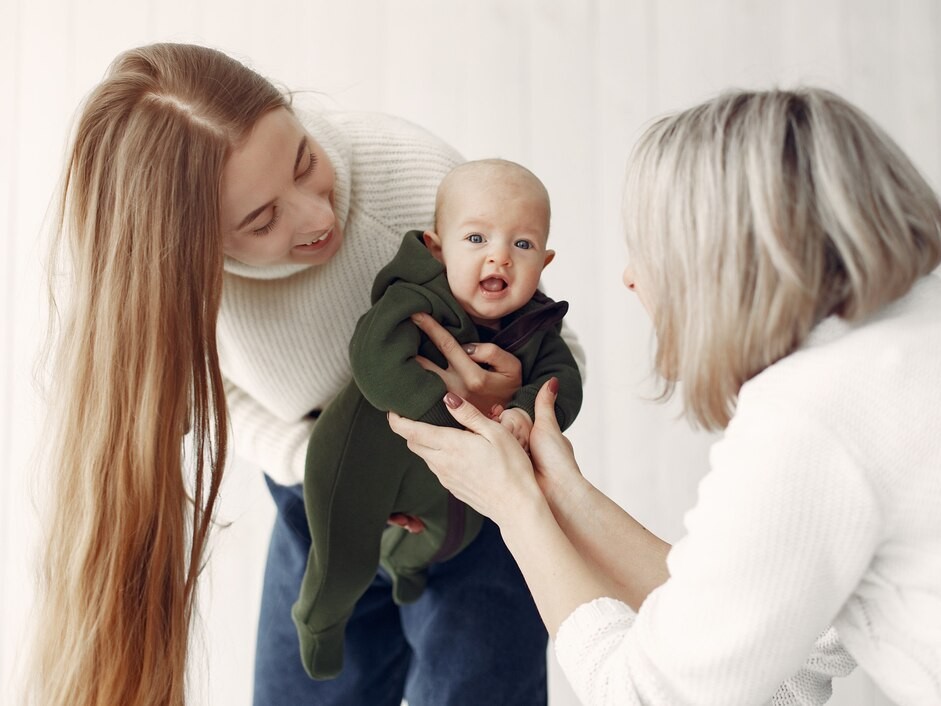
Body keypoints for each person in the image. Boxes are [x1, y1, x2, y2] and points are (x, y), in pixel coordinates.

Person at [33, 43, 584, 706]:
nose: (318, 217)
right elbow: (217, 396)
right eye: (262, 219)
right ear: (194, 246)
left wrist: (510, 396)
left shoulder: (412, 174)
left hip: (479, 505)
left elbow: (550, 333)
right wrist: (315, 466)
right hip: (320, 507)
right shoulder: (171, 290)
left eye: (305, 162)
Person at [390, 87, 941, 705]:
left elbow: (651, 697)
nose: (630, 276)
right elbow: (781, 663)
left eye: (648, 245)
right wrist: (560, 493)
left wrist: (515, 507)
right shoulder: (905, 345)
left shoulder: (814, 416)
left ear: (716, 254)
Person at [293, 159, 583, 679]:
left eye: (522, 245)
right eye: (476, 238)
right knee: (344, 552)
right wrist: (459, 420)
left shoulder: (538, 325)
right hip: (360, 457)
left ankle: (407, 573)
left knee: (448, 536)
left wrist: (523, 412)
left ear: (544, 261)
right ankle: (319, 620)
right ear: (436, 248)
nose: (500, 256)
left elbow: (562, 382)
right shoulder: (413, 299)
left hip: (451, 474)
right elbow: (377, 362)